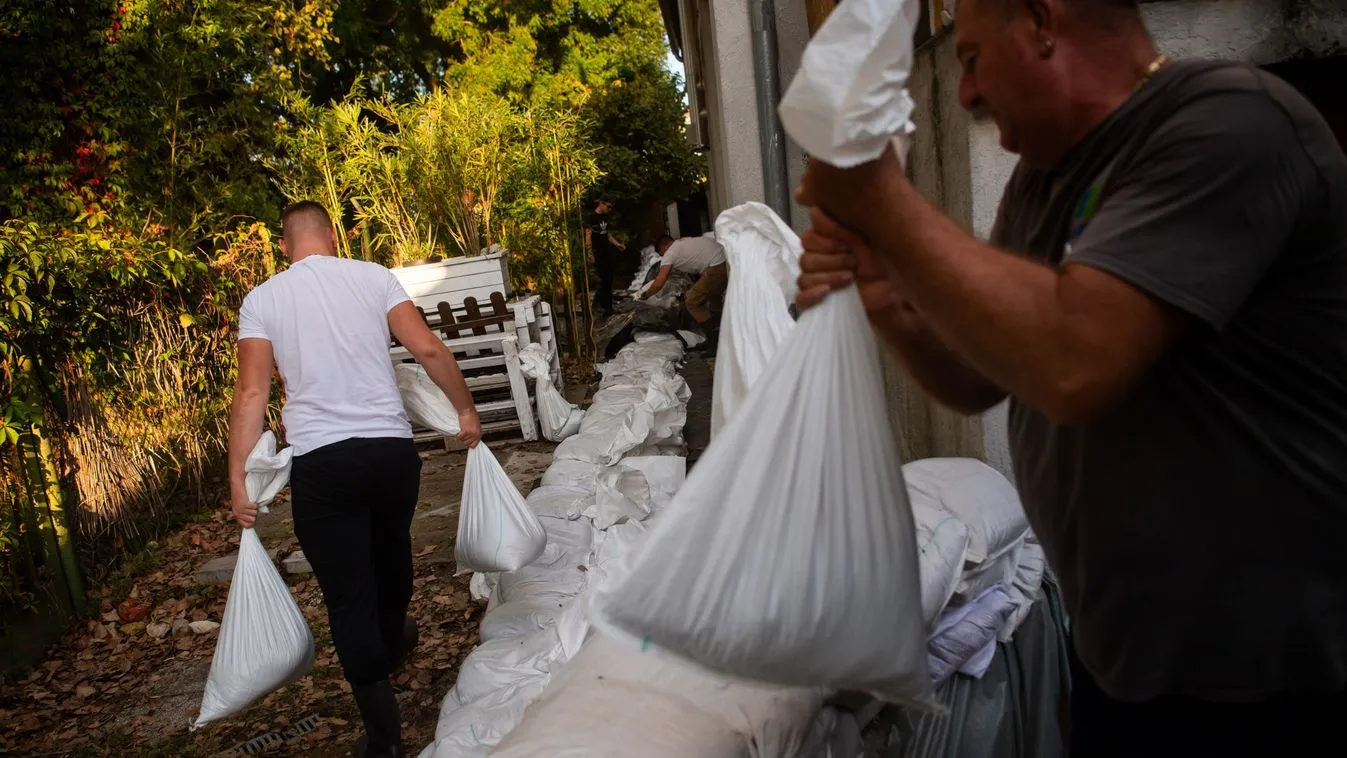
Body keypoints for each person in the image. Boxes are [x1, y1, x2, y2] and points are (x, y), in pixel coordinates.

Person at [793, 0, 1347, 755]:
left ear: (1041, 19)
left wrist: (884, 203)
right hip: (1124, 659)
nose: (965, 96)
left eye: (971, 59)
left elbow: (1074, 361)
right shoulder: (1042, 181)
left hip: (1268, 680)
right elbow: (978, 379)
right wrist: (887, 296)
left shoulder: (1226, 125)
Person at [228, 201, 482, 758]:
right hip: (392, 453)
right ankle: (392, 639)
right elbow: (428, 348)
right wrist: (464, 410)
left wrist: (238, 479)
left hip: (324, 463)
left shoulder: (262, 300)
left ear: (283, 245)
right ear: (333, 235)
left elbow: (252, 395)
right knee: (391, 555)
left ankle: (385, 736)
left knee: (348, 595)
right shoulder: (373, 276)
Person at [645, 233, 729, 346]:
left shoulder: (670, 252)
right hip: (725, 261)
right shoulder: (685, 242)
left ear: (665, 245)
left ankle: (714, 342)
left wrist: (645, 294)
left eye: (662, 254)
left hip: (716, 266)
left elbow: (659, 282)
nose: (663, 257)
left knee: (692, 302)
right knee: (713, 298)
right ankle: (723, 334)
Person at [584, 197, 626, 318]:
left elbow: (606, 234)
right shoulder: (591, 218)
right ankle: (601, 307)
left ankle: (608, 307)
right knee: (602, 280)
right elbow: (588, 235)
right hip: (598, 253)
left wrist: (617, 244)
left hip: (607, 251)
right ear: (600, 204)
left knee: (609, 278)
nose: (610, 209)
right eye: (608, 206)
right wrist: (589, 252)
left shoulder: (604, 218)